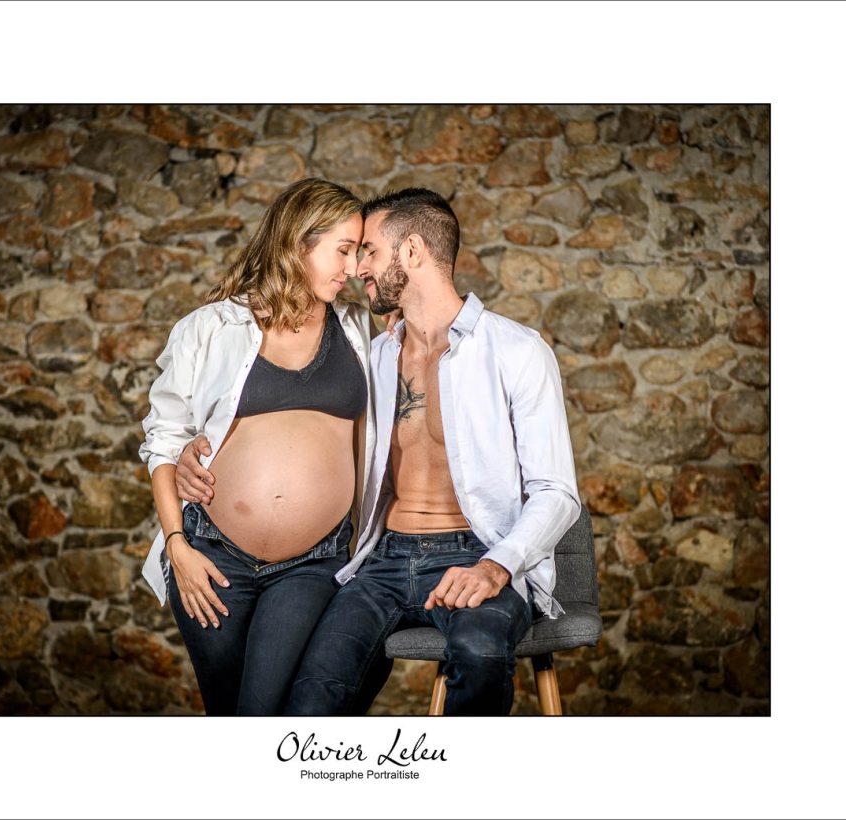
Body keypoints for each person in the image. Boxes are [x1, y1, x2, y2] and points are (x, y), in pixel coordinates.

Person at [179, 188, 581, 716]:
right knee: (310, 700)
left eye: (368, 251)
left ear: (411, 251)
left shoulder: (516, 351)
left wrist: (495, 567)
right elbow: (290, 415)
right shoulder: (370, 354)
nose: (357, 268)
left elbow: (557, 492)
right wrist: (196, 451)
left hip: (477, 553)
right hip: (382, 562)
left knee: (480, 652)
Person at [137, 177, 376, 715]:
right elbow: (165, 441)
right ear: (297, 242)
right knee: (227, 714)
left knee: (262, 712)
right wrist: (178, 547)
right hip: (209, 555)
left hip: (313, 561)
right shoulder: (210, 327)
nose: (353, 267)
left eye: (359, 252)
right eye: (342, 250)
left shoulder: (360, 328)